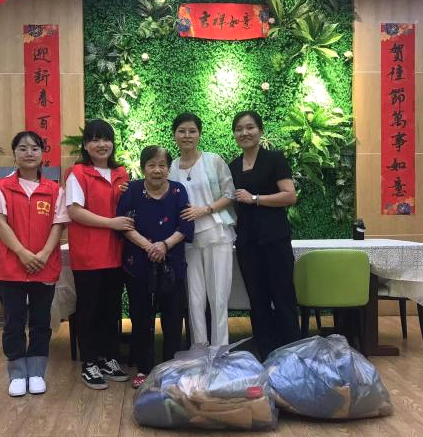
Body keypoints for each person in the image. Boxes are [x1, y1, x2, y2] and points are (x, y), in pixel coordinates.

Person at [0, 131, 69, 397]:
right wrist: (23, 253)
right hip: (11, 267)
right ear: (14, 154)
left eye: (34, 148)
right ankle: (16, 373)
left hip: (44, 266)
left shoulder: (54, 190)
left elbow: (58, 224)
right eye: (22, 148)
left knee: (40, 321)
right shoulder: (3, 187)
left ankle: (36, 372)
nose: (29, 153)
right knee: (13, 322)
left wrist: (44, 254)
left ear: (42, 154)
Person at [117, 146, 194, 389]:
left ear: (168, 168)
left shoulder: (178, 190)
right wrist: (149, 246)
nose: (157, 170)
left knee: (173, 318)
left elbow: (186, 226)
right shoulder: (132, 190)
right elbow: (124, 224)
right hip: (138, 265)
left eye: (162, 165)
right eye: (151, 165)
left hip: (171, 264)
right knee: (141, 318)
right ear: (143, 168)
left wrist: (164, 245)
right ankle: (144, 368)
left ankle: (171, 368)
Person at [66, 119, 133, 389]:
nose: (101, 144)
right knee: (89, 309)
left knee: (111, 308)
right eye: (94, 139)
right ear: (85, 145)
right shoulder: (78, 173)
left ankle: (109, 357)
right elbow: (74, 211)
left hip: (116, 253)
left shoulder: (122, 174)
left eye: (106, 139)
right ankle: (90, 362)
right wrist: (111, 223)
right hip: (89, 254)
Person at [229, 110, 301, 360]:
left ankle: (291, 352)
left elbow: (289, 196)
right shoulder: (233, 166)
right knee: (257, 299)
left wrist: (255, 198)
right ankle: (265, 352)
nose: (244, 133)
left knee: (283, 296)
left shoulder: (274, 159)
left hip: (274, 239)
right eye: (239, 129)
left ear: (260, 130)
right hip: (247, 242)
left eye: (250, 127)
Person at [168, 113, 236, 347]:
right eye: (182, 131)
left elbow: (230, 194)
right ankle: (199, 349)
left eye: (192, 131)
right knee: (195, 299)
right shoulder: (171, 167)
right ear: (174, 135)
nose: (187, 135)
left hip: (217, 235)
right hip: (187, 240)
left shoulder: (213, 160)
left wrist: (205, 210)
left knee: (218, 298)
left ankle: (220, 351)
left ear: (199, 134)